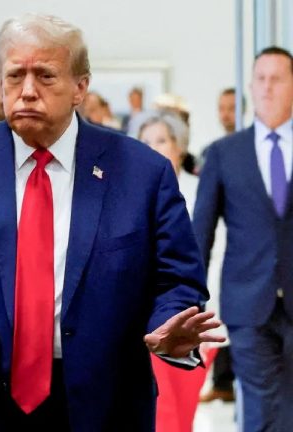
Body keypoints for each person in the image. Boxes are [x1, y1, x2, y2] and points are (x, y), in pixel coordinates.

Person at [0, 14, 223, 431]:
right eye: (14, 75)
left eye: (44, 76)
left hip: (102, 406)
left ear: (80, 87)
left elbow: (177, 277)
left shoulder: (142, 172)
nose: (27, 91)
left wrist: (169, 321)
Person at [193, 46, 293, 431]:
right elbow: (201, 232)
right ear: (251, 86)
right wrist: (190, 301)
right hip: (248, 303)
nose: (267, 87)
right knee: (259, 405)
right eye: (260, 79)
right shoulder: (224, 154)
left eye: (277, 79)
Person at [138, 113, 213, 432]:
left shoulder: (201, 190)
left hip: (194, 317)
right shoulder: (131, 193)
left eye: (161, 140)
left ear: (179, 147)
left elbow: (214, 252)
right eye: (145, 141)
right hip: (146, 321)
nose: (152, 148)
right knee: (158, 413)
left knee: (181, 412)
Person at [198, 87, 243, 404]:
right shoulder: (213, 152)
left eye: (232, 107)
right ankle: (222, 380)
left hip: (242, 246)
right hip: (219, 247)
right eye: (222, 107)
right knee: (218, 312)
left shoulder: (250, 151)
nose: (226, 113)